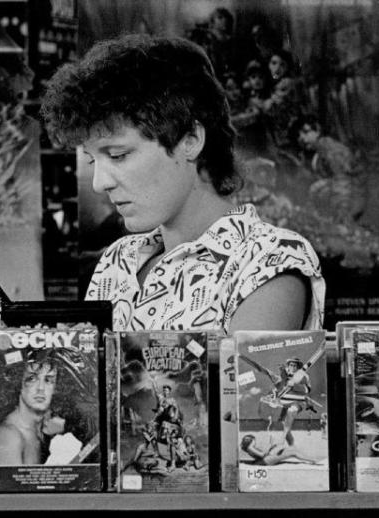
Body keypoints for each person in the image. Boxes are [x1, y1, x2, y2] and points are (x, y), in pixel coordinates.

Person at [27, 35, 323, 334]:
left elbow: (252, 379)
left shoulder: (269, 260)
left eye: (118, 155)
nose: (99, 183)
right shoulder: (118, 260)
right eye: (92, 161)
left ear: (190, 140)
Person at [0, 355, 74, 466]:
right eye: (32, 378)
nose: (41, 388)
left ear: (55, 388)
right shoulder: (9, 437)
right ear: (18, 383)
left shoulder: (45, 429)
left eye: (48, 380)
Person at [240, 434, 319, 466]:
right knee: (293, 453)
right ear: (251, 441)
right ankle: (312, 460)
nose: (255, 442)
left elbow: (261, 455)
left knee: (290, 449)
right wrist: (270, 446)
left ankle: (311, 459)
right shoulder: (250, 447)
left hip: (266, 459)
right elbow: (262, 455)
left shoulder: (250, 447)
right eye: (254, 440)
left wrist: (272, 447)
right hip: (265, 461)